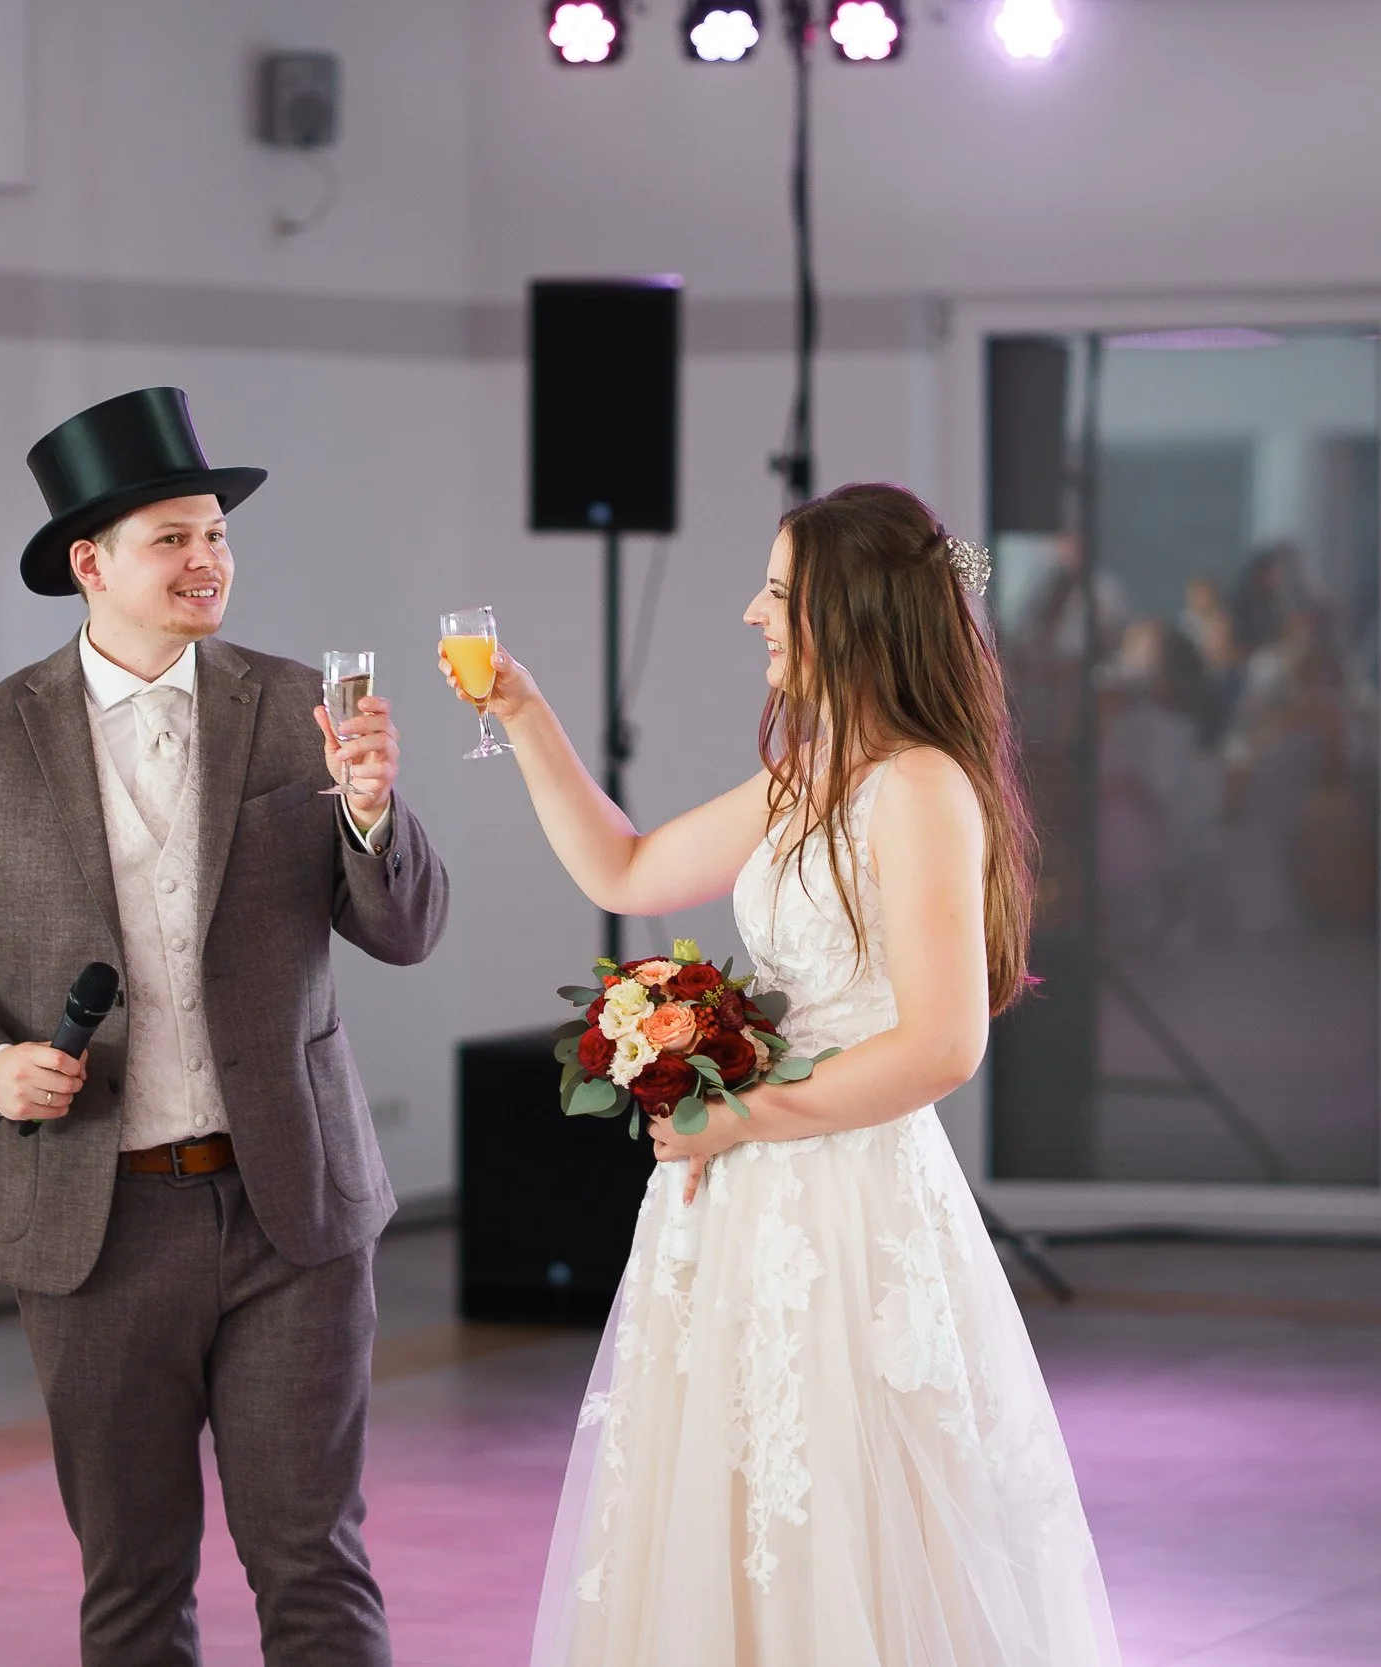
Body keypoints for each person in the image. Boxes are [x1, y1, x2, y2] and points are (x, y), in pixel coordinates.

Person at [451, 483, 1120, 1665]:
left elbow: (942, 1043)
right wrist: (527, 714)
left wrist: (742, 1115)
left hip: (845, 1194)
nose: (751, 612)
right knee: (729, 1507)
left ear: (847, 611)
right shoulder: (811, 772)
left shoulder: (918, 785)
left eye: (776, 591)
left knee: (844, 1514)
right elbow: (628, 869)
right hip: (742, 1197)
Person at [0, 386, 450, 1667]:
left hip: (292, 1210)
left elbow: (407, 930)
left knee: (314, 1561)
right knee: (132, 1581)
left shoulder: (298, 705)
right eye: (172, 538)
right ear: (91, 563)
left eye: (217, 535)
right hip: (96, 1224)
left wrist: (369, 813)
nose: (207, 560)